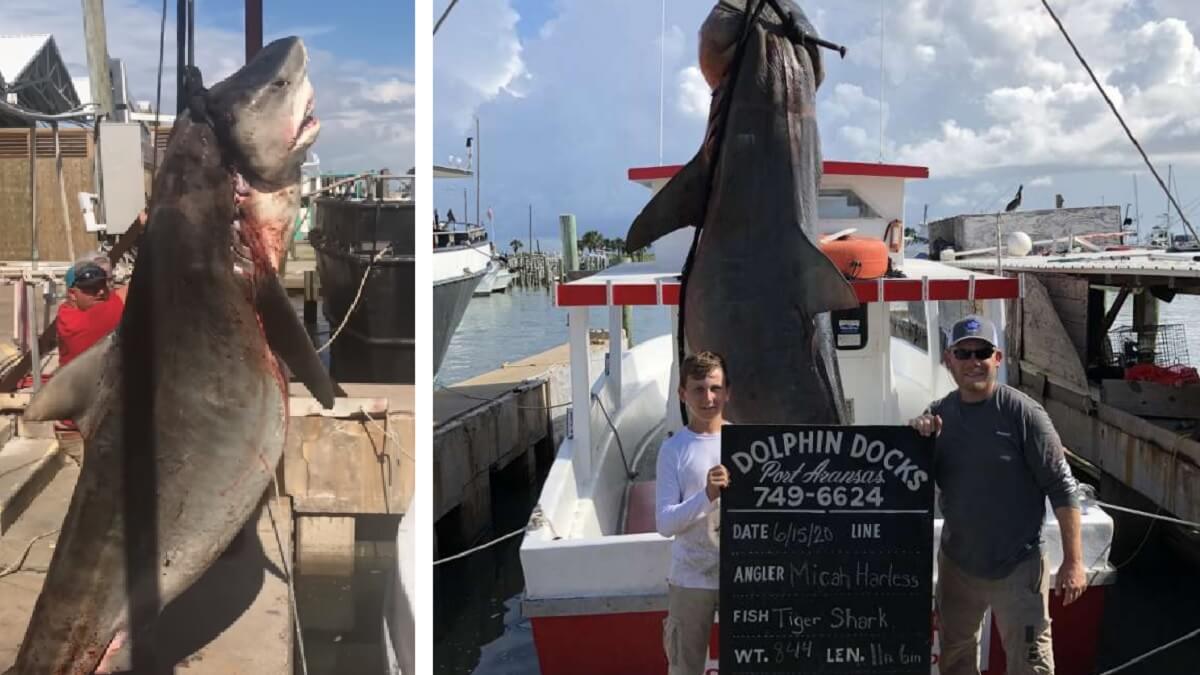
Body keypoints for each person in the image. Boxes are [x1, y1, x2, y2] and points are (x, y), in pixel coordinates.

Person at [910, 315, 1085, 675]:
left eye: (982, 352)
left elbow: (1063, 488)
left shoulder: (1026, 415)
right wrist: (915, 436)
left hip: (1019, 567)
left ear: (997, 358)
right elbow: (912, 480)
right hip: (957, 565)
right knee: (954, 658)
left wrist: (1074, 562)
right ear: (949, 360)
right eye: (964, 353)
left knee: (1030, 662)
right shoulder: (938, 415)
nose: (974, 361)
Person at [655, 351, 731, 675]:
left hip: (741, 578)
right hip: (690, 578)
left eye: (715, 388)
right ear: (682, 394)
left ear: (728, 391)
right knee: (685, 669)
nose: (708, 397)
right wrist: (707, 496)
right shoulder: (673, 450)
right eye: (698, 389)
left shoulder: (748, 441)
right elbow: (665, 523)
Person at [56, 259, 126, 369]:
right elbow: (136, 289)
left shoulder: (65, 311)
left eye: (103, 284)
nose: (101, 291)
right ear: (73, 294)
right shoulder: (79, 324)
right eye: (92, 288)